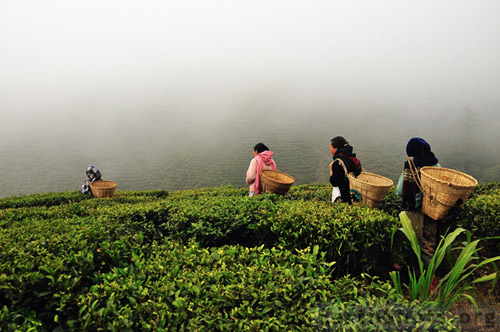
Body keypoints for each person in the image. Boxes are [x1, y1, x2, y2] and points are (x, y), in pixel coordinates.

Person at [396, 137, 440, 254]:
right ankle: (429, 271)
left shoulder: (411, 165)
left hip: (414, 209)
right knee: (427, 246)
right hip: (431, 211)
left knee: (408, 241)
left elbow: (400, 191)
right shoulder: (436, 165)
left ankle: (404, 268)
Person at [329, 136, 362, 204]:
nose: (330, 151)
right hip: (355, 196)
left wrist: (331, 170)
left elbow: (334, 182)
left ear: (336, 149)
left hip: (345, 199)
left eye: (331, 148)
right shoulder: (351, 158)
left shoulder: (338, 163)